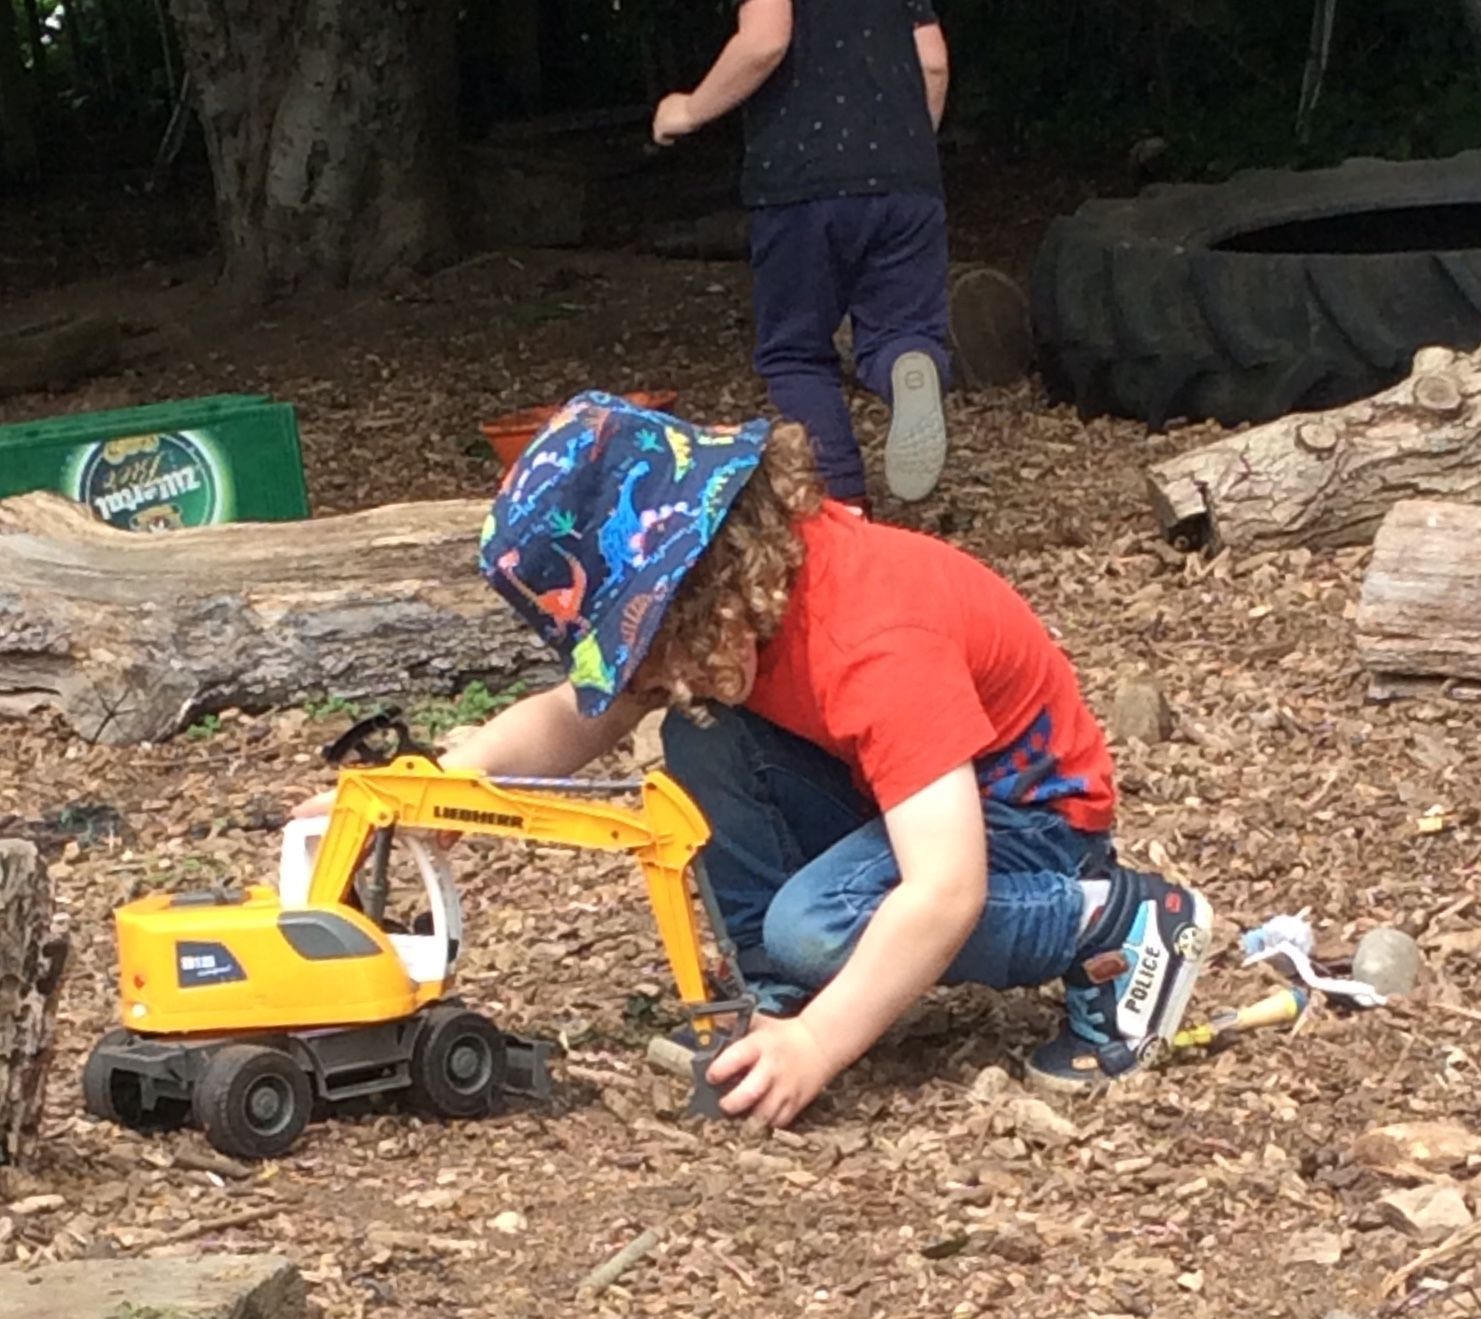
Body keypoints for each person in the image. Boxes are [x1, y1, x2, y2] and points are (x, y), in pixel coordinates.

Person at [381, 391, 1211, 1129]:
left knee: (818, 924)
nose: (662, 678)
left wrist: (820, 1045)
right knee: (699, 733)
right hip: (902, 798)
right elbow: (573, 718)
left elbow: (947, 887)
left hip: (1029, 824)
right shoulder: (732, 612)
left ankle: (1119, 920)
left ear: (713, 577)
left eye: (659, 649)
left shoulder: (871, 639)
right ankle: (781, 988)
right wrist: (441, 782)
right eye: (639, 667)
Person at [651, 0, 952, 508]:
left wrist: (689, 108)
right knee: (900, 332)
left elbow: (765, 41)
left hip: (803, 185)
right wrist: (910, 149)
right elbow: (933, 62)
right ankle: (909, 364)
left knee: (796, 354)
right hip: (908, 181)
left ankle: (842, 503)